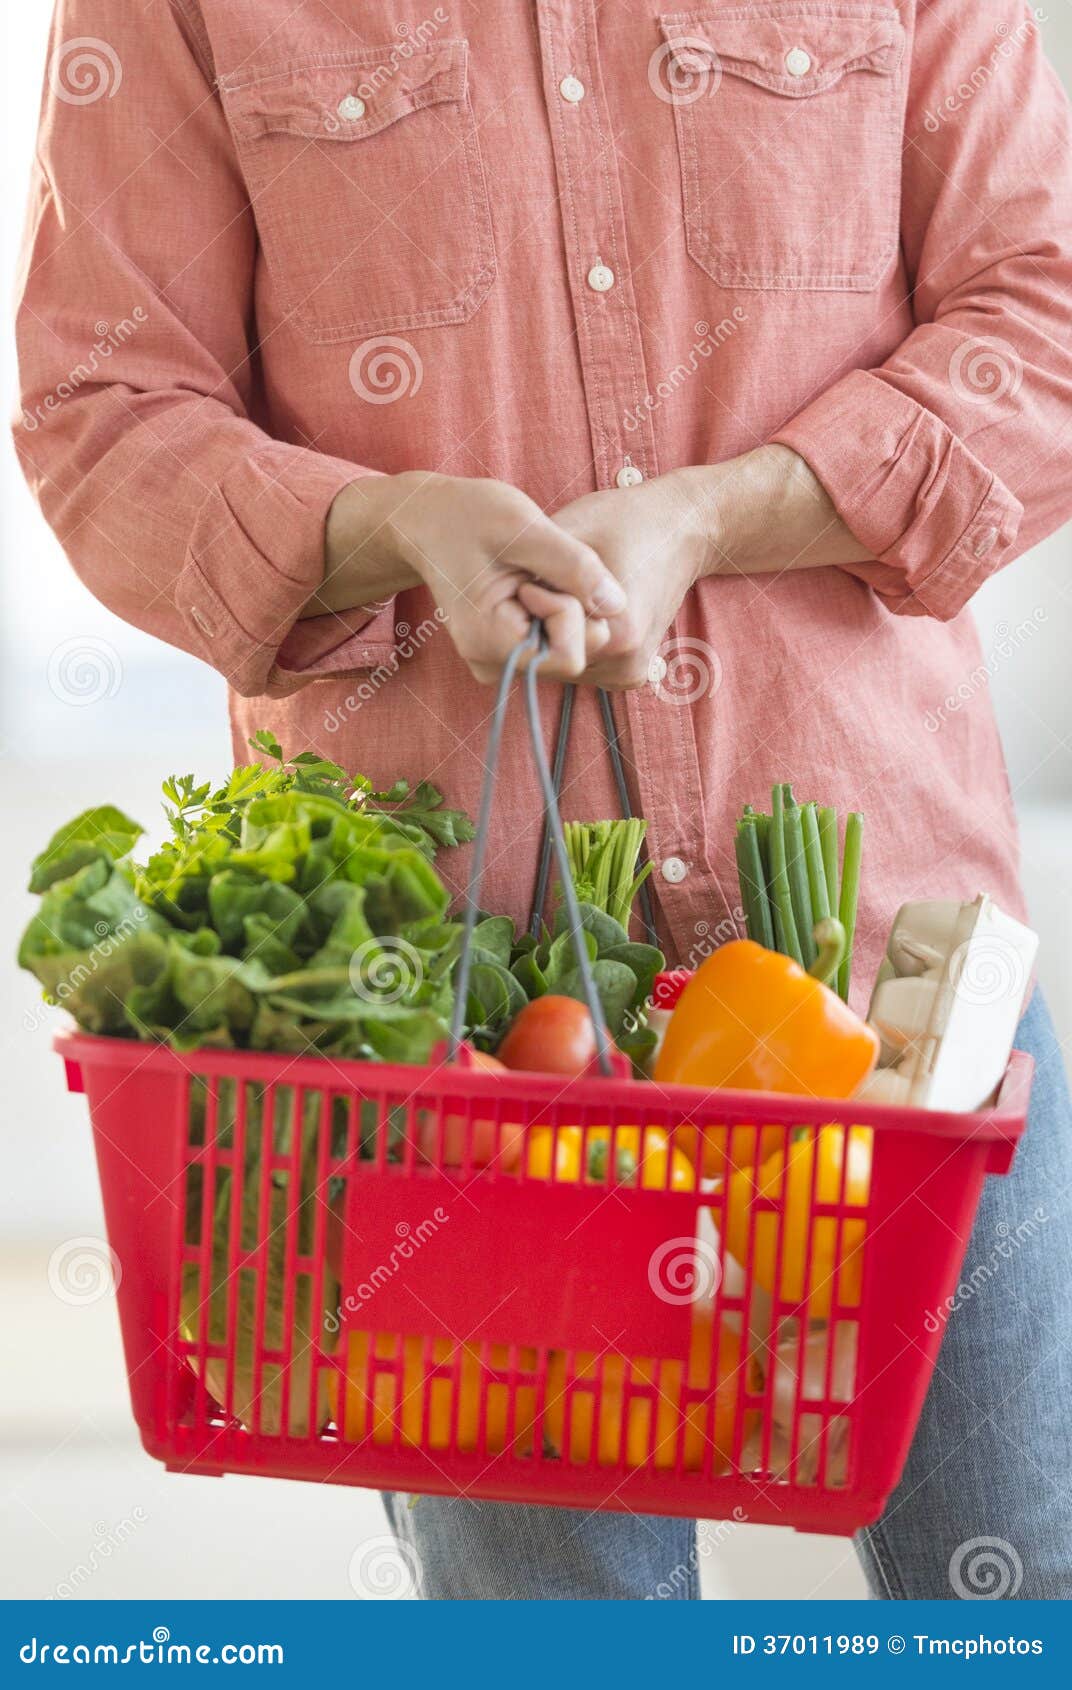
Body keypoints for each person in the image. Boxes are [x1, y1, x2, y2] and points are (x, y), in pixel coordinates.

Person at [14, 0, 1072, 1599]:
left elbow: (1041, 320)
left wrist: (719, 515)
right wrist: (383, 525)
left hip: (903, 995)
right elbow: (103, 410)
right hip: (464, 1057)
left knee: (1021, 1597)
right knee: (559, 1645)